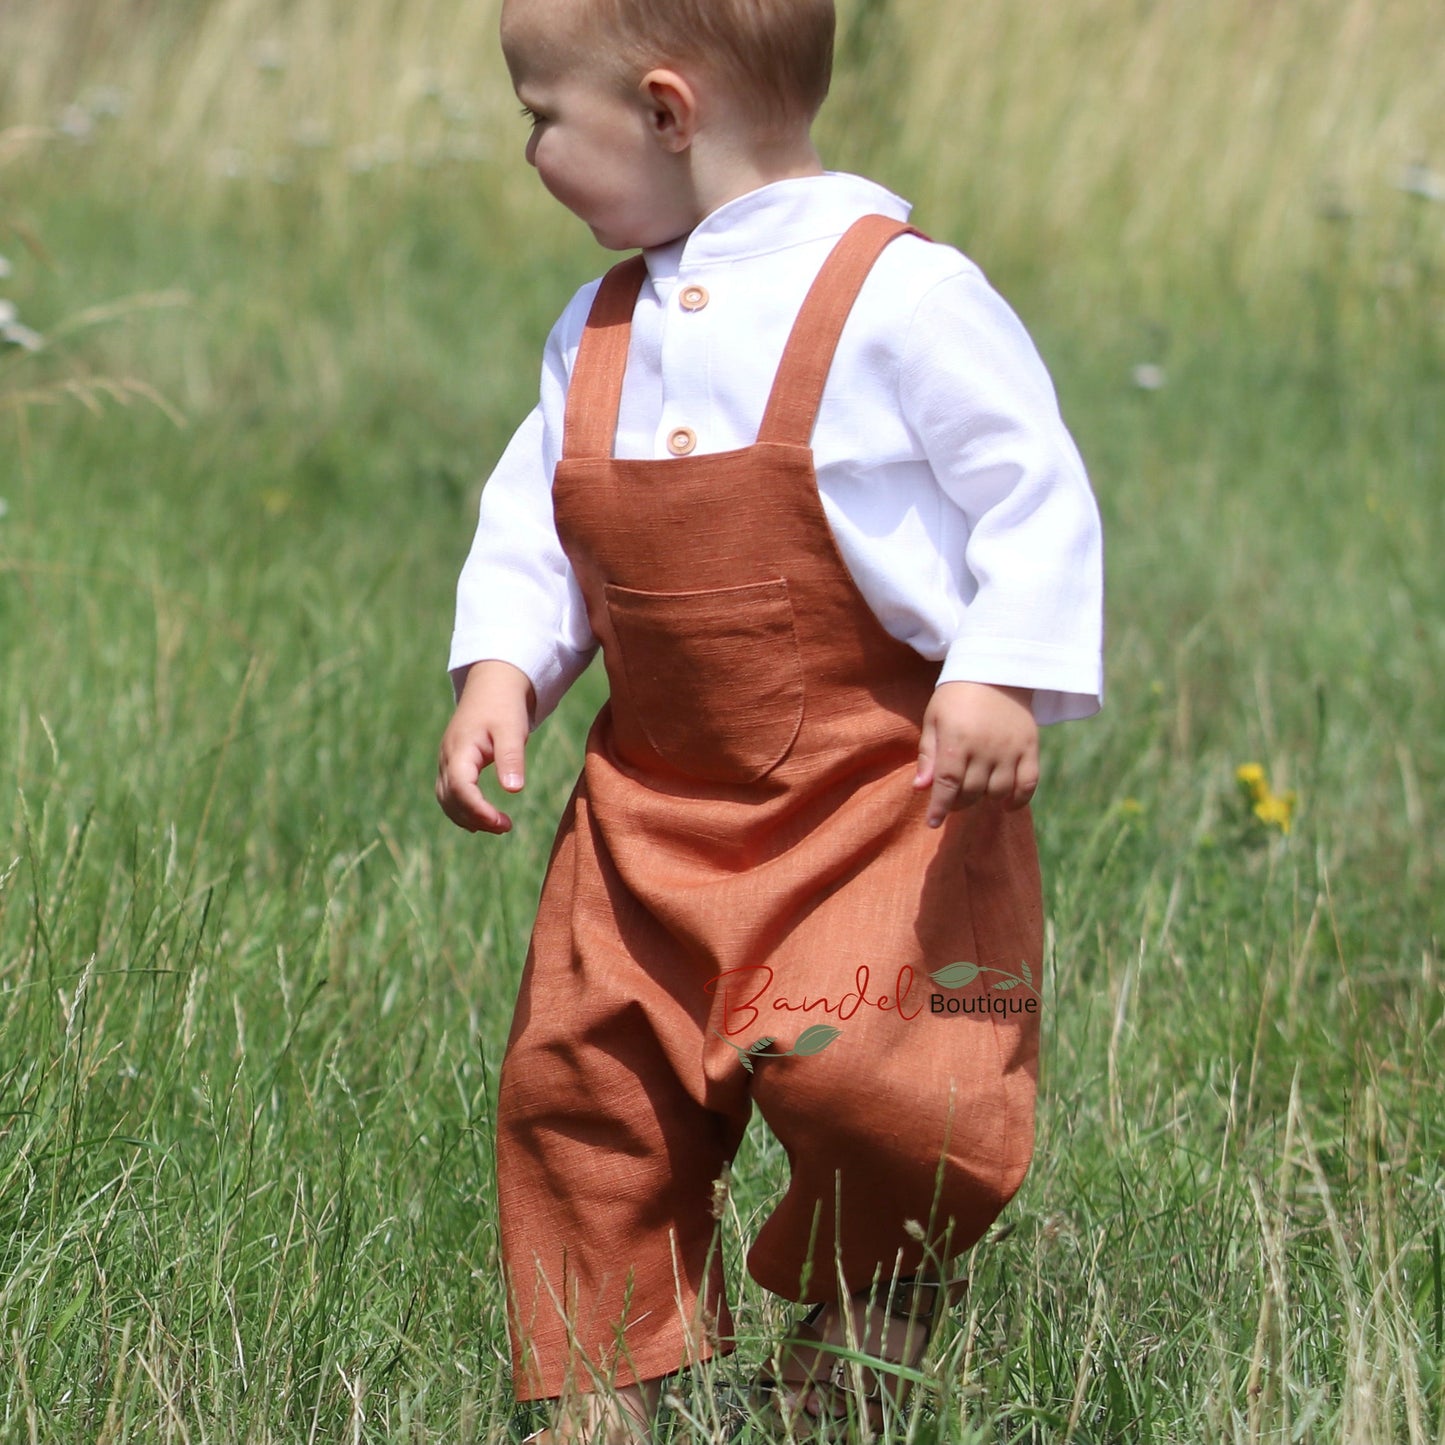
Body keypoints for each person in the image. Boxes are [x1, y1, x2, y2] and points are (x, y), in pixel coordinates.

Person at [436, 0, 1103, 1439]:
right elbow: (537, 515)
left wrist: (998, 667)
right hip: (645, 819)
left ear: (666, 113)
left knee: (891, 1088)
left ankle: (862, 1335)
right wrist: (502, 663)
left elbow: (1028, 485)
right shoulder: (598, 324)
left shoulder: (900, 293)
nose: (531, 148)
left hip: (881, 809)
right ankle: (597, 1394)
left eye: (543, 115)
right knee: (582, 1100)